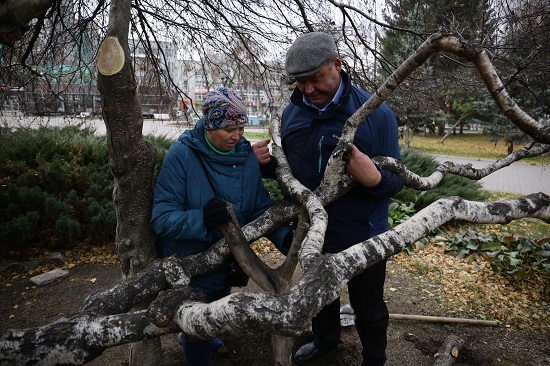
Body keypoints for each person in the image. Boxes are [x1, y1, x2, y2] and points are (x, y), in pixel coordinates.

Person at [253, 32, 404, 366]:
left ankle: (374, 359)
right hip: (313, 233)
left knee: (369, 309)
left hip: (364, 236)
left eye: (314, 79)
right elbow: (292, 174)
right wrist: (263, 166)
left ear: (336, 65)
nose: (307, 90)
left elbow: (396, 183)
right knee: (321, 299)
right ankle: (325, 341)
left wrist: (375, 177)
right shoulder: (292, 115)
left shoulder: (375, 114)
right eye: (299, 82)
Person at [151, 87, 290, 366]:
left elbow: (260, 209)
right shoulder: (182, 155)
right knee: (197, 323)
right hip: (189, 261)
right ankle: (196, 349)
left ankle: (202, 337)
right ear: (211, 124)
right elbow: (162, 217)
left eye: (241, 127)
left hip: (226, 259)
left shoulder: (244, 158)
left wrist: (287, 238)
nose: (237, 136)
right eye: (229, 128)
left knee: (215, 307)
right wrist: (201, 219)